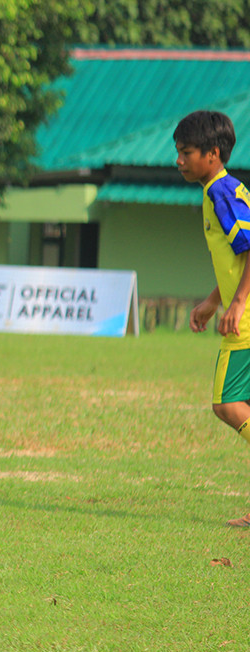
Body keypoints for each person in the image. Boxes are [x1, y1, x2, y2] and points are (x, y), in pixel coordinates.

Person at [178, 111, 250, 528]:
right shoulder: (220, 190)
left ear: (213, 153)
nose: (179, 161)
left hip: (247, 320)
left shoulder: (221, 192)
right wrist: (212, 301)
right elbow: (235, 259)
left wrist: (237, 303)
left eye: (186, 152)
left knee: (226, 404)